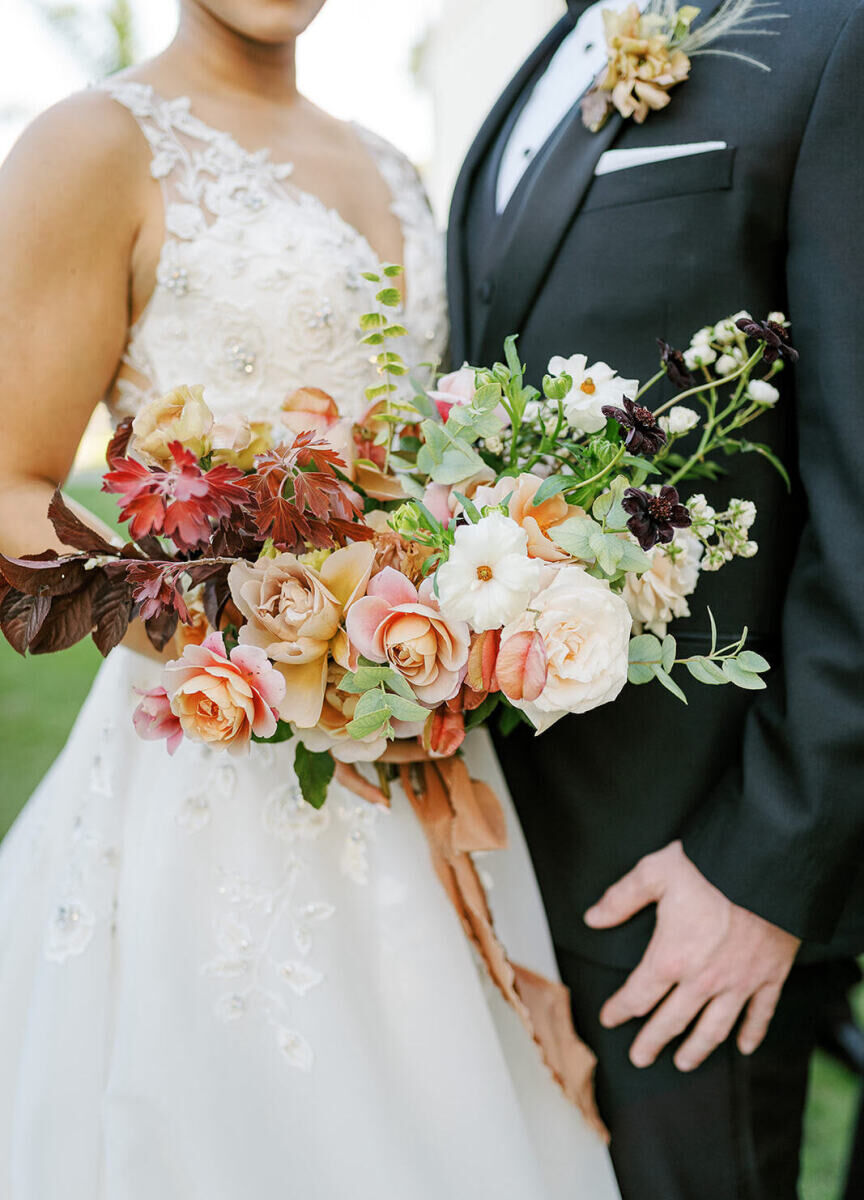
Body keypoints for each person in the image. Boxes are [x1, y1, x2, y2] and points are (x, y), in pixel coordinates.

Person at [0, 2, 622, 1196]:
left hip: (418, 749)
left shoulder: (390, 160)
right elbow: (15, 481)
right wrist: (257, 639)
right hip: (216, 762)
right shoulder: (96, 144)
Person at [448, 0, 864, 1196]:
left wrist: (762, 871)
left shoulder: (831, 35)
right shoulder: (541, 58)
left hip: (692, 897)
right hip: (511, 849)